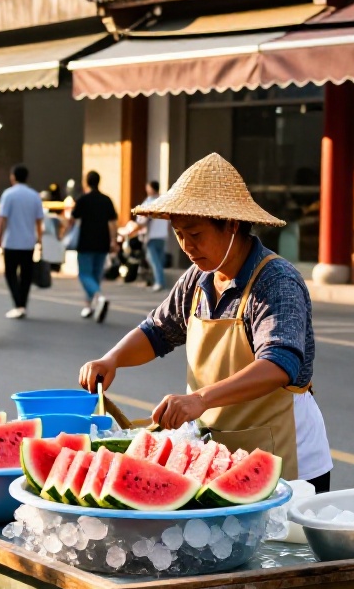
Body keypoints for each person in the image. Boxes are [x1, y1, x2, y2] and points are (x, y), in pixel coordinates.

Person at [79, 153, 332, 491]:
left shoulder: (276, 280)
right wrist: (112, 359)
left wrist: (199, 399)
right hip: (215, 457)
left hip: (288, 460)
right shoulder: (198, 278)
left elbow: (279, 364)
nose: (186, 246)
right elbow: (157, 331)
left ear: (230, 225)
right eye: (179, 234)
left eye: (195, 234)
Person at [67, 170, 117, 323]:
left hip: (86, 242)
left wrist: (64, 233)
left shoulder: (83, 199)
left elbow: (72, 219)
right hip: (102, 242)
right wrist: (113, 241)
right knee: (96, 275)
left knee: (84, 274)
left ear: (86, 182)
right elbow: (113, 222)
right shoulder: (106, 200)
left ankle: (99, 297)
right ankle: (89, 305)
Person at [0, 164, 42, 319]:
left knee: (10, 274)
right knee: (26, 276)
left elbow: (2, 219)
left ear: (13, 177)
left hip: (11, 242)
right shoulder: (34, 195)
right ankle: (22, 304)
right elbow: (39, 221)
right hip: (28, 242)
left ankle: (18, 304)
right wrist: (40, 241)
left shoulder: (8, 194)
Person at [138, 179, 171, 291]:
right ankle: (160, 281)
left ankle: (159, 282)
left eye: (148, 187)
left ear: (151, 188)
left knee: (154, 260)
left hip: (152, 236)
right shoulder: (164, 201)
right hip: (162, 235)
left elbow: (142, 219)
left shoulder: (149, 202)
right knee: (159, 261)